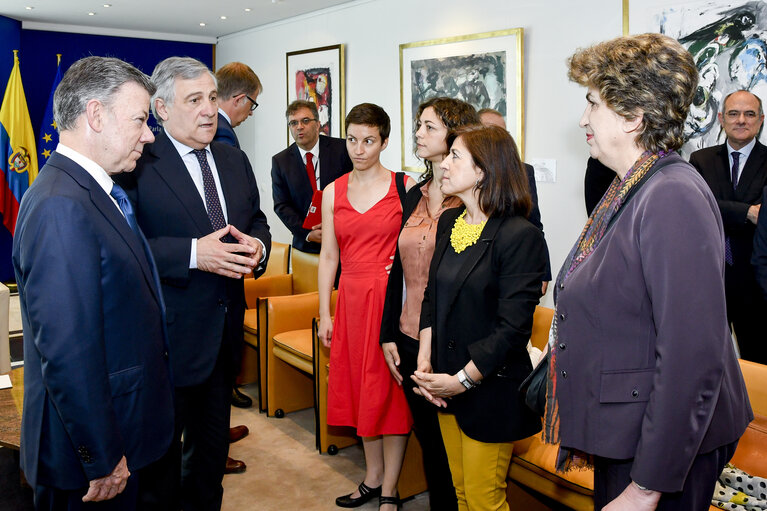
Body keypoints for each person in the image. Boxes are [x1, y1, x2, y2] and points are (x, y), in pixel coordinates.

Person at [546, 33, 752, 510]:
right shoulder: (631, 188)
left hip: (662, 448)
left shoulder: (670, 194)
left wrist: (645, 487)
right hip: (632, 428)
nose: (583, 119)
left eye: (592, 103)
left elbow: (691, 355)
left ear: (634, 117)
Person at [12, 56, 174, 510]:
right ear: (96, 115)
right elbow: (67, 351)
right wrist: (100, 457)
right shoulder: (61, 205)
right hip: (92, 463)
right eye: (141, 119)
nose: (149, 134)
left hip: (126, 431)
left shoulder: (91, 191)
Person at [116, 56, 271, 511]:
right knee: (159, 472)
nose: (209, 110)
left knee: (208, 464)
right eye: (195, 100)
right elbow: (125, 244)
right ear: (161, 109)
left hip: (223, 344)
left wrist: (258, 249)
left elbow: (257, 221)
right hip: (164, 345)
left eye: (212, 98)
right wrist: (191, 254)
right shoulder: (135, 163)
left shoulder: (233, 158)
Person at [411, 124, 546, 511]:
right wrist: (425, 360)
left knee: (485, 501)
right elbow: (431, 298)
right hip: (445, 382)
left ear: (483, 170)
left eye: (456, 156)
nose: (445, 164)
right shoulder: (451, 223)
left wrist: (462, 380)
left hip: (490, 389)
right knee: (462, 495)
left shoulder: (519, 235)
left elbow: (511, 329)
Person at [379, 97, 479, 511]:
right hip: (408, 337)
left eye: (428, 127)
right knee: (431, 446)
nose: (418, 134)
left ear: (455, 137)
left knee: (459, 456)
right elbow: (399, 270)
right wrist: (387, 332)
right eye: (418, 125)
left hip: (453, 345)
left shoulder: (475, 201)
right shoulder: (413, 195)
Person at [318, 103, 415, 510]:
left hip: (391, 301)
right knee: (361, 393)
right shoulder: (333, 191)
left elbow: (421, 243)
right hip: (352, 301)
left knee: (389, 396)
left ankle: (391, 487)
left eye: (369, 141)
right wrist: (326, 312)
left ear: (385, 142)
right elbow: (328, 256)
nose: (359, 149)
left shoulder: (404, 184)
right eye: (352, 139)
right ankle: (372, 477)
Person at [690, 89, 767, 364]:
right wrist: (747, 211)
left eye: (749, 114)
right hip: (711, 277)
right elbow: (697, 208)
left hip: (755, 282)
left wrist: (719, 207)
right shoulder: (701, 160)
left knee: (757, 361)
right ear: (721, 119)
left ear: (761, 120)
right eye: (734, 114)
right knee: (706, 362)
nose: (741, 120)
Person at [213, 59, 264, 469]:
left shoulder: (226, 137)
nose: (250, 113)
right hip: (220, 277)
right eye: (253, 105)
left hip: (228, 273)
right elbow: (236, 213)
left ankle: (214, 430)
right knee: (216, 362)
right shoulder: (223, 139)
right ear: (240, 99)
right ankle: (212, 442)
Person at [478, 106, 552, 293]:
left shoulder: (523, 172)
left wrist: (544, 271)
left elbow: (535, 224)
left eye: (502, 133)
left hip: (512, 267)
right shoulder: (463, 173)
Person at [271, 100, 352, 254]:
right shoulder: (280, 161)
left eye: (305, 121)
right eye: (293, 123)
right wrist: (307, 233)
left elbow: (354, 189)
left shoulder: (342, 149)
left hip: (344, 241)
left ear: (318, 124)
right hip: (305, 246)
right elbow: (282, 205)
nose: (299, 127)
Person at [214, 62, 262, 150]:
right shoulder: (223, 133)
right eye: (251, 105)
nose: (251, 113)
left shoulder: (210, 123)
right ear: (238, 100)